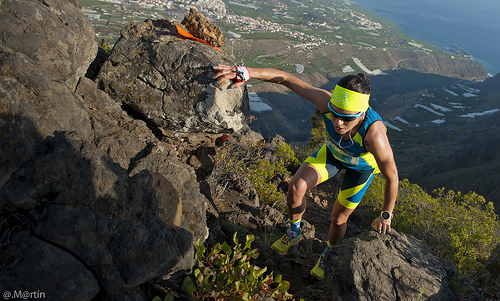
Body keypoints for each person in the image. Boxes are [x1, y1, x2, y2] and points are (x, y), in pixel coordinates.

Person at [212, 65, 399, 280]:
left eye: (346, 119)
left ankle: (328, 252)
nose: (338, 122)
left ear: (362, 114)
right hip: (333, 153)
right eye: (335, 114)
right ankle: (294, 231)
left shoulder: (374, 135)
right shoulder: (327, 102)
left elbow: (392, 176)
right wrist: (248, 72)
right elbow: (286, 79)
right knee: (296, 186)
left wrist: (386, 215)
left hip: (361, 168)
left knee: (338, 219)